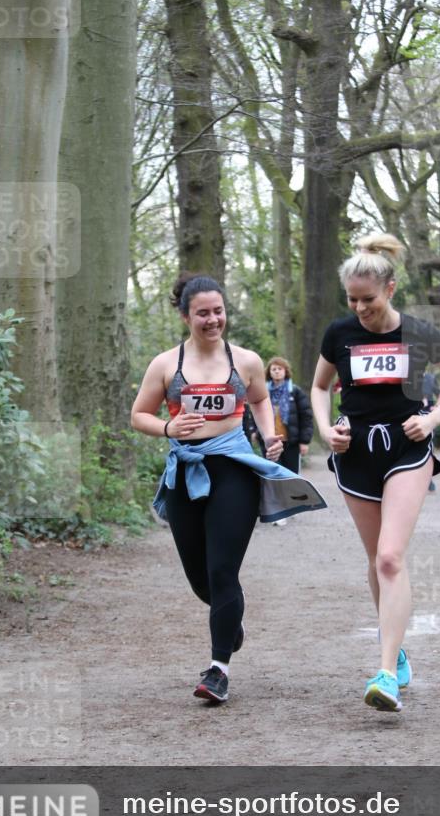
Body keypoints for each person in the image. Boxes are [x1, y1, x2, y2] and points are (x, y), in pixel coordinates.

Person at [131, 273, 326, 705]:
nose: (213, 319)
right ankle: (230, 622)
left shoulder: (246, 360)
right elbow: (138, 415)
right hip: (186, 471)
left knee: (222, 571)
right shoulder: (166, 365)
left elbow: (258, 398)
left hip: (233, 469)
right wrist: (168, 426)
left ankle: (218, 669)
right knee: (200, 579)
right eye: (202, 313)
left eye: (218, 311)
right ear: (185, 315)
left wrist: (269, 433)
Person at [311, 233, 440, 713]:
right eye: (352, 300)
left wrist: (431, 419)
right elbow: (319, 388)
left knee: (389, 558)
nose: (360, 309)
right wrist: (326, 429)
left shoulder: (420, 333)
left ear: (390, 289)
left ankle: (385, 673)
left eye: (368, 299)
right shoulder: (339, 334)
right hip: (357, 453)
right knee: (375, 561)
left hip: (407, 449)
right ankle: (397, 651)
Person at [249, 357, 313, 473]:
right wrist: (254, 430)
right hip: (269, 442)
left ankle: (291, 492)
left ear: (285, 371)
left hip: (290, 442)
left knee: (291, 474)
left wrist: (304, 442)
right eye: (274, 369)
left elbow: (306, 417)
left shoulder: (295, 391)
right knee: (271, 474)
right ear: (269, 372)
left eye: (280, 369)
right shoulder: (263, 392)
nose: (277, 371)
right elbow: (255, 410)